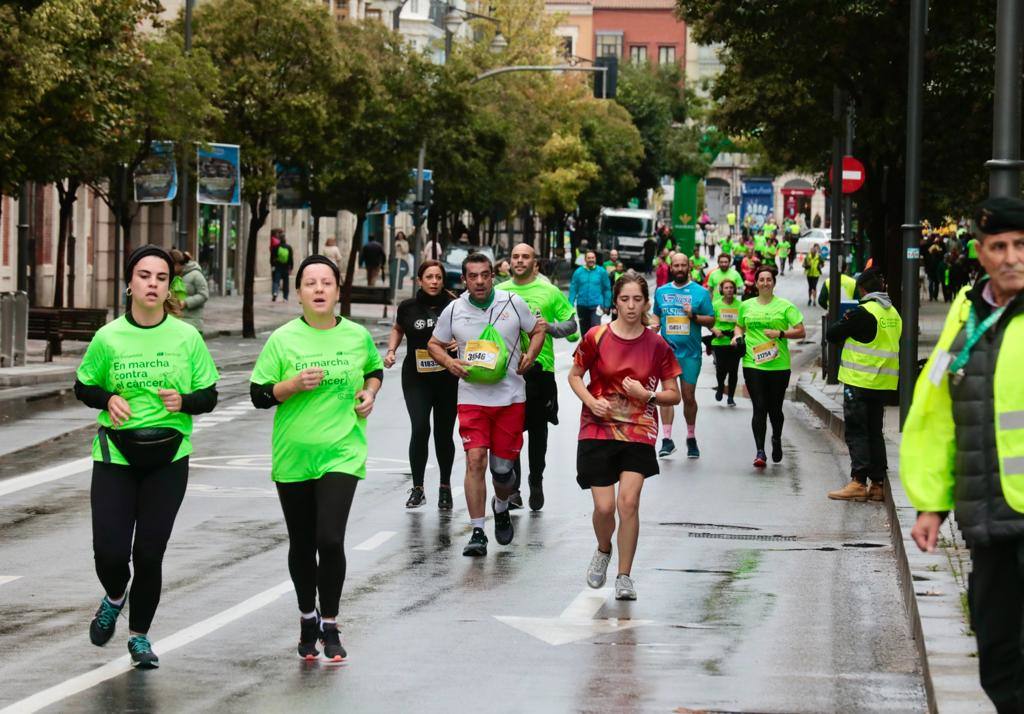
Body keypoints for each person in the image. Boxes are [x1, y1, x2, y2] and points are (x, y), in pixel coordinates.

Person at [901, 197, 1024, 712]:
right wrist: (932, 503)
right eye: (1000, 247)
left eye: (1021, 245)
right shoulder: (966, 316)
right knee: (997, 656)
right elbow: (936, 414)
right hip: (988, 519)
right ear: (981, 253)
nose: (1013, 257)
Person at [75, 245, 219, 669]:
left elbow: (209, 396)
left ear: (168, 285)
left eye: (160, 277)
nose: (152, 284)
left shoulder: (186, 337)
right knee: (111, 553)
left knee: (150, 553)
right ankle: (115, 595)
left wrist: (184, 401)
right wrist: (109, 396)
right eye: (144, 275)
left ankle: (139, 636)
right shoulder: (109, 337)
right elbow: (84, 387)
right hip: (115, 455)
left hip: (168, 457)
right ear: (130, 283)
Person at [250, 255, 384, 662]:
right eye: (311, 283)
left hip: (341, 450)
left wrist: (370, 393)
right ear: (299, 294)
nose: (320, 289)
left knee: (330, 538)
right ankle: (307, 617)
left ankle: (330, 622)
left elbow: (374, 370)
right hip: (294, 454)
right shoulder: (283, 339)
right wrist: (289, 385)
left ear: (337, 290)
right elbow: (259, 394)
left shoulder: (356, 336)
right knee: (302, 542)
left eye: (327, 282)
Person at [569, 273, 681, 601]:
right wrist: (591, 401)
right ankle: (604, 548)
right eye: (624, 299)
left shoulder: (657, 344)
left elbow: (673, 394)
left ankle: (624, 575)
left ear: (646, 303)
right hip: (597, 426)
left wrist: (649, 397)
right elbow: (575, 376)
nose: (631, 306)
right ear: (615, 301)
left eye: (637, 300)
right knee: (604, 508)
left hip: (638, 429)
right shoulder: (596, 336)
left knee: (627, 502)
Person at [427, 253, 546, 556]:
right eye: (472, 276)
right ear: (464, 280)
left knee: (503, 471)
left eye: (484, 275)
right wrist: (449, 363)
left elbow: (538, 330)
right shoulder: (454, 310)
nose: (479, 281)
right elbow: (434, 344)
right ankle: (478, 530)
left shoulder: (512, 303)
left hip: (510, 398)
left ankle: (502, 504)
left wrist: (531, 355)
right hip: (472, 399)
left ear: (493, 276)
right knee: (475, 460)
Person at [499, 243, 579, 511]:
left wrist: (550, 327)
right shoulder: (498, 292)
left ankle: (536, 479)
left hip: (540, 372)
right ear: (509, 261)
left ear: (535, 262)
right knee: (511, 433)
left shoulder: (549, 291)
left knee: (537, 432)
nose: (520, 261)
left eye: (525, 257)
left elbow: (571, 325)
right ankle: (514, 490)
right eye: (515, 256)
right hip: (507, 372)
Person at [384, 260, 458, 510]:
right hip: (416, 378)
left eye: (438, 277)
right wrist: (392, 350)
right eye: (429, 277)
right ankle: (418, 488)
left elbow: (469, 331)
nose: (434, 282)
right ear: (420, 280)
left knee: (443, 434)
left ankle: (445, 487)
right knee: (420, 428)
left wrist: (460, 342)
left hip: (447, 377)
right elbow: (397, 328)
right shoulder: (408, 307)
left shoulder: (455, 306)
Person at [825, 268, 902, 502]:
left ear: (863, 289)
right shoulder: (894, 314)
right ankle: (877, 485)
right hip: (882, 383)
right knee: (875, 432)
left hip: (859, 382)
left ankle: (858, 481)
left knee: (857, 431)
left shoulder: (862, 312)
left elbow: (832, 334)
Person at [733, 265, 806, 467]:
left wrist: (780, 334)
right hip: (752, 363)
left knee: (775, 409)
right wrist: (737, 336)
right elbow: (739, 325)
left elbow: (801, 331)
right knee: (759, 407)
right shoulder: (746, 306)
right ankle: (760, 451)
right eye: (761, 279)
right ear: (756, 284)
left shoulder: (785, 306)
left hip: (778, 365)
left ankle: (776, 438)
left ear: (774, 283)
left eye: (769, 279)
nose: (765, 283)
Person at [652, 253, 715, 458]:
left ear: (689, 267)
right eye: (676, 265)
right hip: (667, 353)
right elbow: (656, 315)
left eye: (683, 265)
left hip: (691, 354)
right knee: (667, 396)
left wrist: (693, 316)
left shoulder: (701, 293)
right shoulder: (661, 292)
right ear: (671, 268)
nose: (679, 268)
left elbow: (711, 321)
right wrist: (654, 325)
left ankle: (690, 436)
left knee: (688, 396)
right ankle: (667, 439)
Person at [710, 278, 742, 406]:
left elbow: (743, 324)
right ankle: (720, 385)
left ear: (734, 290)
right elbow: (709, 322)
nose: (729, 290)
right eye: (726, 288)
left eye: (731, 288)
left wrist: (738, 335)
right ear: (722, 290)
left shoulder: (740, 305)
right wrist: (714, 330)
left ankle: (731, 398)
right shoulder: (716, 304)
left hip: (734, 341)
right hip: (719, 341)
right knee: (721, 370)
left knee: (733, 370)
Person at [569, 250, 612, 336]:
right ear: (585, 259)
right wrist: (570, 305)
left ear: (595, 259)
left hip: (597, 306)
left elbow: (607, 289)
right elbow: (573, 289)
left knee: (595, 329)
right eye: (589, 258)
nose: (591, 260)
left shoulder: (601, 272)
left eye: (593, 258)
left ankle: (594, 348)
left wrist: (607, 304)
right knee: (584, 331)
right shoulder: (578, 272)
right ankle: (586, 347)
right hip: (582, 305)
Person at [169, 249, 209, 332]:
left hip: (192, 322)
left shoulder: (196, 274)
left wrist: (186, 302)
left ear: (178, 264)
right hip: (175, 322)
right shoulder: (171, 276)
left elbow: (204, 294)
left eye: (172, 265)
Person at [272, 234, 294, 302]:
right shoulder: (289, 247)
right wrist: (291, 268)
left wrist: (273, 265)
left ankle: (275, 292)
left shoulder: (276, 247)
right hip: (286, 267)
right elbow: (291, 258)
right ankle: (285, 297)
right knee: (286, 283)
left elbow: (273, 257)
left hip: (278, 266)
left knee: (276, 280)